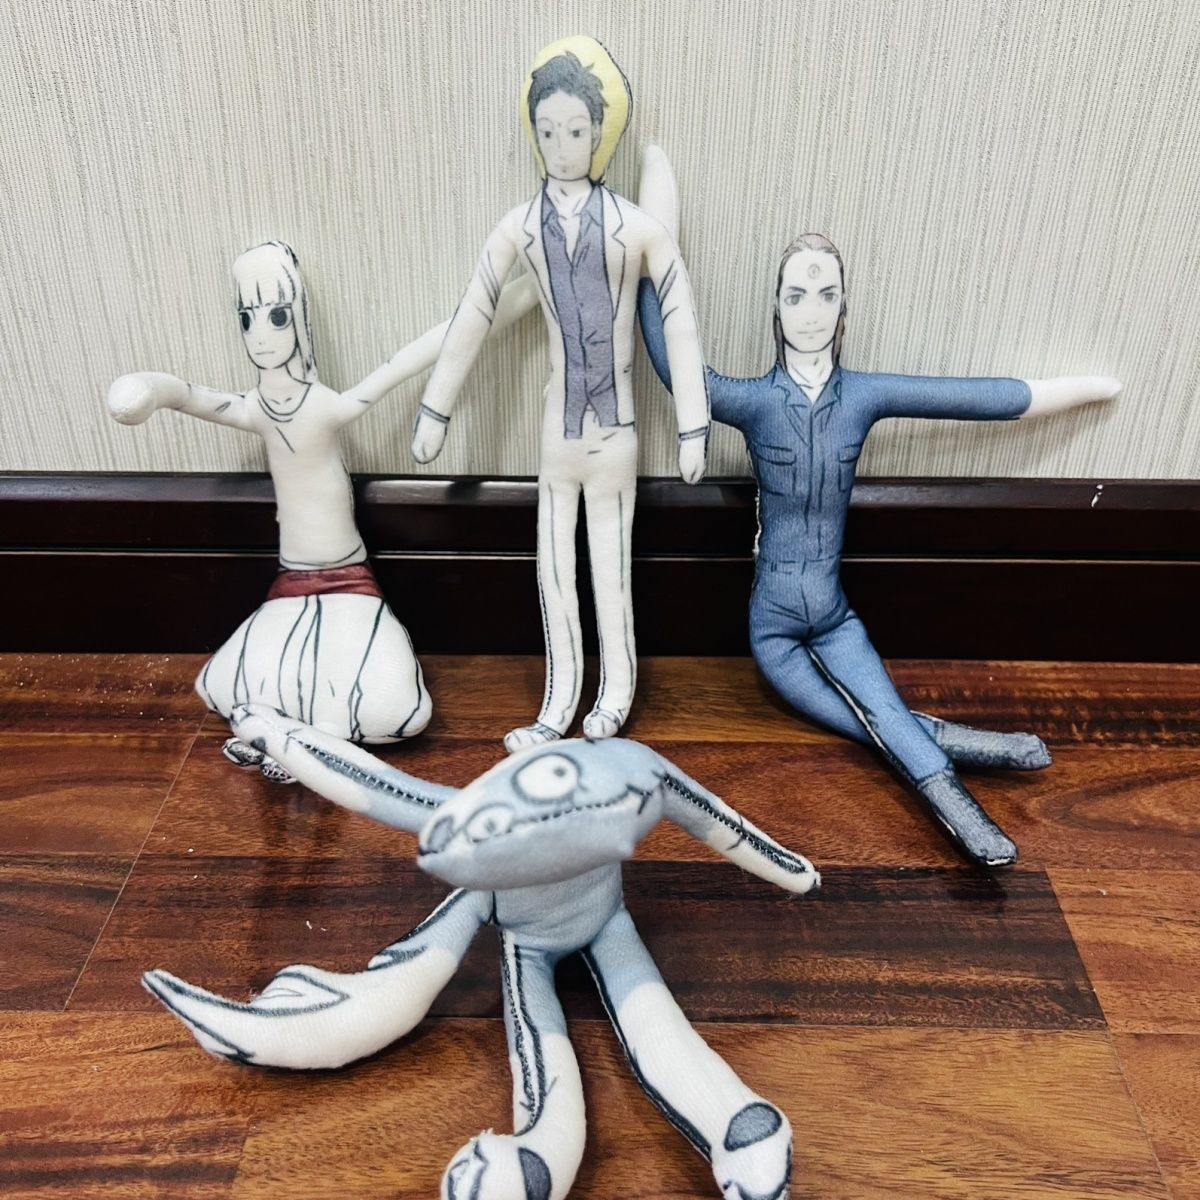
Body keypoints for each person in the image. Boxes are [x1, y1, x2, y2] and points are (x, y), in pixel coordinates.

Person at [637, 153, 1120, 866]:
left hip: (835, 619)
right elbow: (673, 367)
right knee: (873, 716)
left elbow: (974, 399)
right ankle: (976, 765)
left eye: (825, 294)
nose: (810, 310)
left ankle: (968, 807)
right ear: (775, 308)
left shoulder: (863, 396)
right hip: (773, 636)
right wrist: (654, 251)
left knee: (879, 711)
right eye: (796, 295)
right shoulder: (753, 402)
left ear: (844, 309)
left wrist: (1070, 390)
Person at [108, 241, 536, 778]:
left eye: (277, 316)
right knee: (221, 682)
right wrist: (148, 390)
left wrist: (518, 296)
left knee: (397, 707)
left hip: (349, 584)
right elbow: (187, 395)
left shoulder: (327, 405)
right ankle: (296, 739)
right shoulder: (254, 409)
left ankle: (309, 741)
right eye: (248, 319)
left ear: (298, 320)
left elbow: (416, 355)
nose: (262, 335)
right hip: (288, 586)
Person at [412, 37, 709, 753]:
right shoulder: (518, 228)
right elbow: (474, 311)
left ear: (601, 133)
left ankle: (615, 693)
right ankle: (558, 701)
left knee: (610, 565)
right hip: (557, 431)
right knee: (553, 568)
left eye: (576, 131)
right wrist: (435, 407)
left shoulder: (634, 228)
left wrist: (694, 423)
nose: (562, 146)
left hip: (616, 431)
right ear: (534, 132)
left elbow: (679, 311)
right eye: (548, 131)